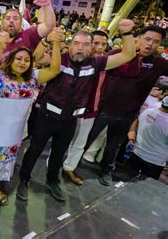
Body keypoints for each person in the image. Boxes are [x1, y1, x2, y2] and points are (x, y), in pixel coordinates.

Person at [16, 19, 137, 202]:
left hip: (70, 121)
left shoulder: (97, 63)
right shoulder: (60, 59)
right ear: (70, 45)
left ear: (90, 48)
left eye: (85, 44)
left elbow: (128, 54)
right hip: (46, 116)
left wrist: (127, 33)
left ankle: (52, 181)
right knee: (34, 149)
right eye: (77, 43)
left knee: (59, 153)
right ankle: (24, 180)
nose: (80, 48)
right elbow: (37, 58)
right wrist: (47, 41)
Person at [0, 29, 63, 210]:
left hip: (16, 131)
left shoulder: (33, 78)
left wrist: (56, 43)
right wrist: (0, 48)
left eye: (26, 60)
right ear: (11, 60)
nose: (22, 63)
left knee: (6, 159)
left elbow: (55, 69)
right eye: (18, 59)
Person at [85, 26, 168, 186]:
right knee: (86, 139)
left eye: (156, 42)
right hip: (103, 109)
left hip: (127, 115)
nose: (150, 44)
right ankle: (69, 165)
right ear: (138, 38)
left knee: (113, 147)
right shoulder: (120, 54)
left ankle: (106, 171)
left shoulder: (159, 63)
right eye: (147, 39)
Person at [62, 30, 110, 185]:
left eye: (103, 44)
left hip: (91, 110)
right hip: (71, 108)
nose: (99, 47)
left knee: (80, 142)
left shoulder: (107, 63)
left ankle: (69, 167)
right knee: (61, 140)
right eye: (95, 43)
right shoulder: (76, 60)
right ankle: (53, 166)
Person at [125, 96, 168, 180]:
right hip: (155, 162)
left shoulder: (147, 111)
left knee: (122, 180)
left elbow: (132, 130)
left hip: (135, 153)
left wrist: (131, 140)